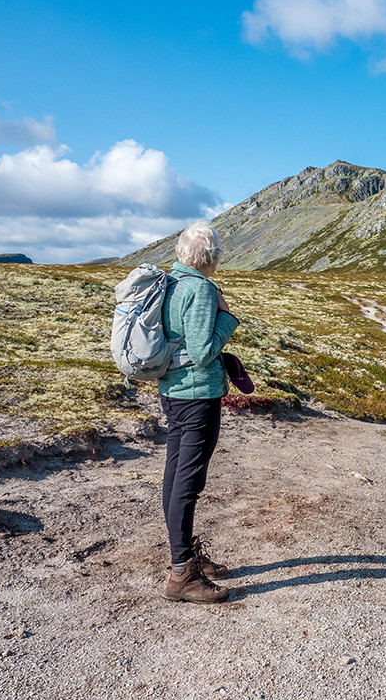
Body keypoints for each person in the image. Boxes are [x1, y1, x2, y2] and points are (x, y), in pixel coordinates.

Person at [158, 221, 239, 604]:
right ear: (213, 257)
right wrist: (227, 317)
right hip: (196, 396)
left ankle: (185, 556)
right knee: (188, 480)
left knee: (176, 474)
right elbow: (204, 351)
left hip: (172, 392)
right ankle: (181, 575)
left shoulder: (171, 282)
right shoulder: (201, 289)